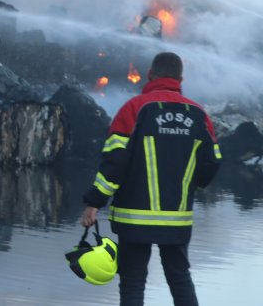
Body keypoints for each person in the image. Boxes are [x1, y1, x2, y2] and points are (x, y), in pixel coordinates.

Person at [80, 52, 221, 306]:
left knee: (133, 283)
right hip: (177, 217)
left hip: (133, 218)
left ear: (149, 75)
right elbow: (212, 162)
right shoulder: (199, 114)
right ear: (180, 78)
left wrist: (94, 202)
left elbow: (114, 162)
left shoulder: (134, 109)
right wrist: (191, 183)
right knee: (179, 279)